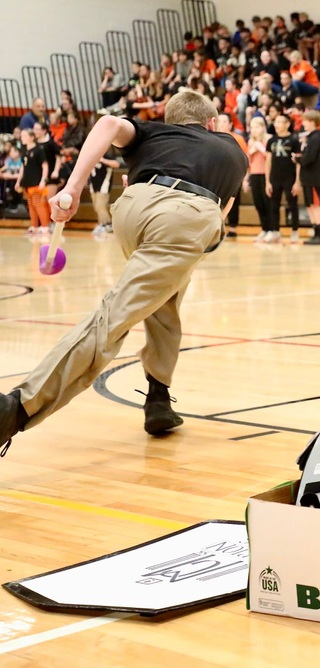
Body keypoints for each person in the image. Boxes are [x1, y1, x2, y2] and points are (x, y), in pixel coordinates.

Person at [0, 90, 248, 455]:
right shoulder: (229, 144)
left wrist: (73, 186)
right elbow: (220, 214)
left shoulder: (154, 134)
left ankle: (158, 399)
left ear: (170, 122)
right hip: (187, 213)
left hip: (133, 207)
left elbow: (108, 123)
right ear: (211, 123)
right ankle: (18, 407)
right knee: (115, 315)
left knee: (165, 300)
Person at [265, 113, 301, 243]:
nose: (277, 125)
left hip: (290, 177)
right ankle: (275, 232)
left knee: (292, 205)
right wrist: (267, 181)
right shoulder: (271, 141)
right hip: (275, 177)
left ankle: (295, 231)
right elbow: (268, 161)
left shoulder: (294, 140)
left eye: (280, 122)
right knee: (274, 205)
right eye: (276, 122)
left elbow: (298, 163)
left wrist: (297, 182)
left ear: (287, 124)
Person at [297, 110, 320, 245]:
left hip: (314, 177)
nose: (303, 123)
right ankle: (315, 232)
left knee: (315, 205)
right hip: (307, 177)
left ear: (311, 122)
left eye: (305, 121)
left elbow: (309, 158)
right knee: (310, 205)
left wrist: (298, 159)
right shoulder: (310, 137)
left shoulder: (317, 137)